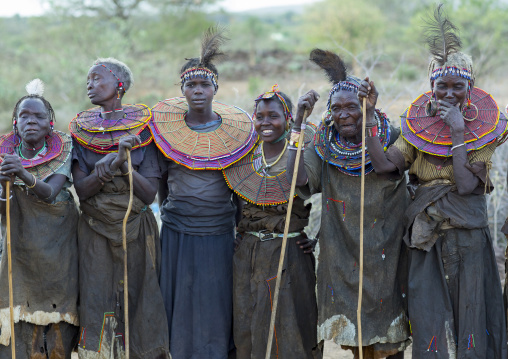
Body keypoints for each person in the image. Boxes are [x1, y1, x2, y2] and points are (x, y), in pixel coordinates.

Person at [366, 5, 508, 358]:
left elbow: (464, 187)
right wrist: (369, 117)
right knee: (430, 318)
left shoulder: (484, 132)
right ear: (431, 88)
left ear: (470, 89)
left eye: (457, 86)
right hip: (427, 242)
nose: (448, 94)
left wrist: (459, 131)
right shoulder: (415, 131)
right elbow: (385, 166)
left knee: (471, 316)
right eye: (441, 86)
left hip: (468, 241)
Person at [287, 49, 410, 359]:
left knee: (391, 334)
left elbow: (387, 168)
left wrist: (369, 117)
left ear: (366, 106)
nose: (344, 115)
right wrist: (298, 125)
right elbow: (297, 179)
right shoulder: (323, 145)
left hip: (388, 253)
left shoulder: (394, 136)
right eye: (337, 108)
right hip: (342, 254)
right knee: (356, 338)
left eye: (352, 107)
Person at [149, 26, 257, 358]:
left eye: (204, 84)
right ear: (181, 89)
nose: (197, 90)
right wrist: (173, 212)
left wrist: (235, 226)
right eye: (190, 84)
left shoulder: (235, 135)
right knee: (179, 295)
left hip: (220, 230)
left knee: (217, 297)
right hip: (178, 229)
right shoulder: (165, 134)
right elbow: (162, 183)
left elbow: (240, 187)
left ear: (215, 89)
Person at [70, 58, 170, 359]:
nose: (90, 84)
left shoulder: (143, 131)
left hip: (136, 228)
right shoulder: (81, 131)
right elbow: (83, 192)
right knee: (95, 296)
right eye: (88, 79)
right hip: (94, 229)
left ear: (119, 85)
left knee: (139, 297)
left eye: (98, 78)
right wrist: (111, 162)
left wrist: (123, 164)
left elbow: (150, 193)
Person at [223, 85, 321, 358]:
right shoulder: (245, 155)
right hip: (247, 254)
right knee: (247, 324)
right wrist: (240, 233)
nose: (266, 122)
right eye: (260, 116)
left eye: (274, 116)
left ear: (287, 118)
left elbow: (298, 180)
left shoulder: (306, 147)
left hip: (288, 253)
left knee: (289, 326)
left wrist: (299, 127)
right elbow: (237, 200)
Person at [0, 79, 79, 358]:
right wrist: (3, 185)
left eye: (38, 116)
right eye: (24, 115)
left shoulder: (65, 148)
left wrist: (21, 174)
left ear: (50, 124)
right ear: (15, 123)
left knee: (59, 319)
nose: (30, 121)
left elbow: (50, 193)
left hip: (58, 247)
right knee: (18, 314)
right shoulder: (4, 155)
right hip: (19, 250)